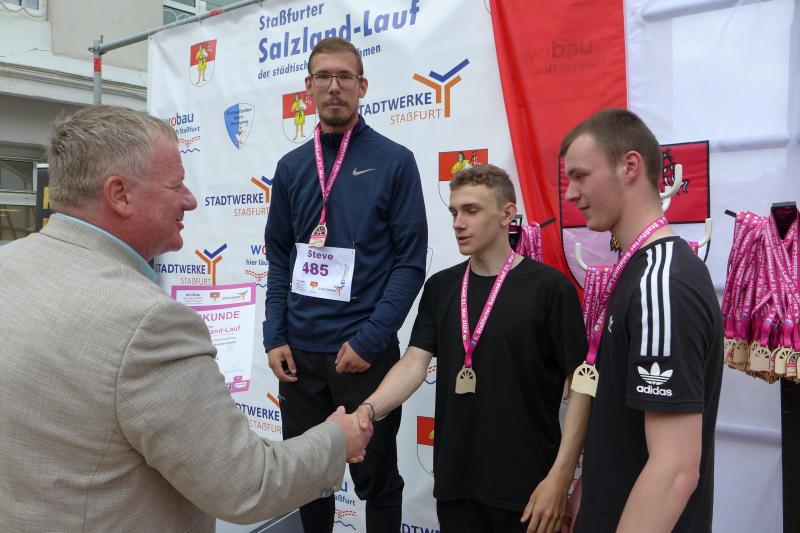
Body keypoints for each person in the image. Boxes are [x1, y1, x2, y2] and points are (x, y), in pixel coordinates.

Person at [0, 105, 371, 532]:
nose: (190, 200)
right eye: (176, 185)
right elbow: (247, 483)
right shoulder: (146, 322)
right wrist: (337, 439)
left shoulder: (10, 266)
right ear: (119, 195)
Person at [355, 164, 591, 533]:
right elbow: (414, 363)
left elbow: (582, 385)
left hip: (529, 490)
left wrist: (561, 478)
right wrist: (369, 409)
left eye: (471, 210)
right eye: (454, 212)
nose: (458, 223)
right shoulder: (441, 287)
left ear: (507, 214)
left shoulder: (550, 288)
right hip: (456, 485)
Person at [263, 37, 427, 532]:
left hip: (364, 357)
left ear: (362, 86)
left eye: (344, 77)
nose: (333, 86)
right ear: (308, 88)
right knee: (310, 481)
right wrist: (274, 335)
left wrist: (371, 339)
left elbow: (409, 263)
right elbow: (279, 259)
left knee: (378, 482)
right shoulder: (291, 167)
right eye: (323, 77)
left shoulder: (395, 161)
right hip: (299, 361)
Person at [561, 109, 723, 532]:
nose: (570, 194)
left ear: (630, 165)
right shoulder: (639, 271)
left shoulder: (662, 281)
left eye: (580, 176)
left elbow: (675, 470)